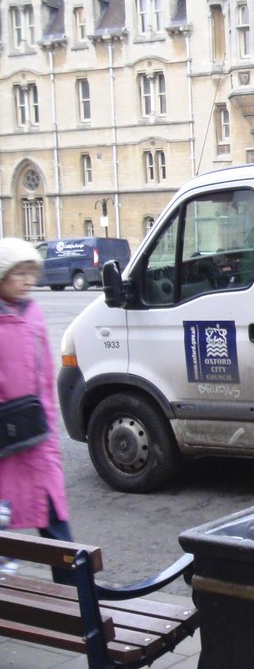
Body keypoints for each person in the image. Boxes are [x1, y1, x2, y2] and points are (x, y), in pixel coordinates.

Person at [0, 237, 74, 579]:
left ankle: (75, 595)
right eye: (21, 274)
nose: (29, 281)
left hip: (36, 433)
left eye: (32, 273)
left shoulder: (33, 313)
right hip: (5, 440)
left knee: (54, 517)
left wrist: (48, 420)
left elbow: (45, 375)